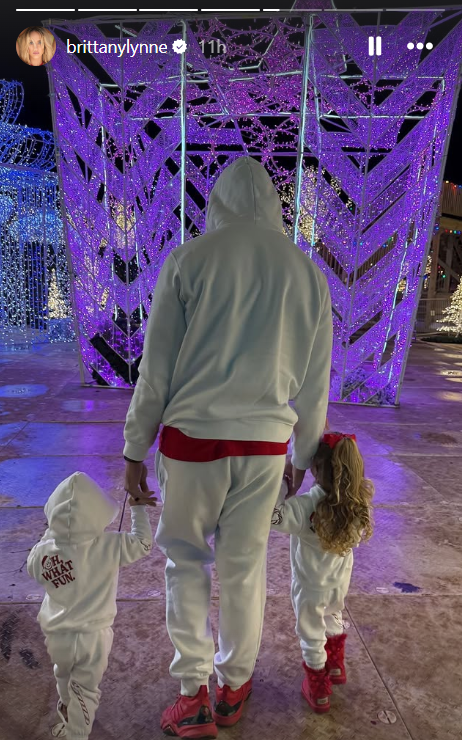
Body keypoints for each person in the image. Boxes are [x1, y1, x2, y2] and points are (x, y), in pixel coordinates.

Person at [123, 156, 333, 738]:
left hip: (190, 445)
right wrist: (304, 459)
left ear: (215, 203)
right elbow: (316, 381)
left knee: (186, 562)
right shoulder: (305, 271)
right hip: (266, 449)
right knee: (245, 570)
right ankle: (234, 689)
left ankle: (191, 695)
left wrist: (134, 447)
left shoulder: (188, 260)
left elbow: (156, 368)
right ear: (272, 206)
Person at [27, 469, 155, 739]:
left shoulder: (44, 552)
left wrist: (56, 530)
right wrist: (138, 508)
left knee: (64, 677)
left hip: (56, 634)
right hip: (92, 637)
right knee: (86, 690)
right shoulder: (109, 545)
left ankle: (67, 721)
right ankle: (76, 733)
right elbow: (143, 543)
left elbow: (33, 567)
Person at [271, 432, 374, 713]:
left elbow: (273, 516)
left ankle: (318, 689)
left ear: (315, 469)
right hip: (339, 582)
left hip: (310, 586)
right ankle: (336, 666)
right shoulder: (358, 504)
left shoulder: (306, 507)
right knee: (333, 615)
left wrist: (283, 485)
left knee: (311, 632)